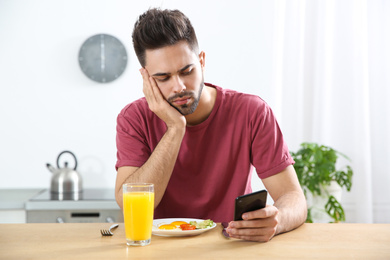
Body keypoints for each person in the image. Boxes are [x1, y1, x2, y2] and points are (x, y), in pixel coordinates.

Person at [115, 8, 307, 242]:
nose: (179, 87)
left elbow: (293, 197)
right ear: (146, 78)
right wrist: (175, 129)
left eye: (187, 71)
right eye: (163, 78)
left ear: (202, 61)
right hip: (161, 249)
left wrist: (278, 220)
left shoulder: (251, 112)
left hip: (231, 246)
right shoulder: (133, 119)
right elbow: (128, 203)